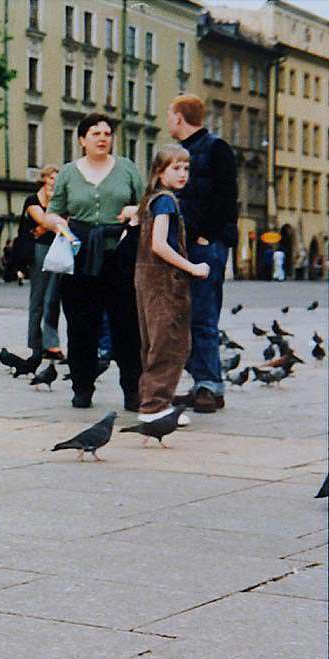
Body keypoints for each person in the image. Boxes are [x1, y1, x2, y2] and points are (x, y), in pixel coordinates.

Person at [41, 113, 144, 410]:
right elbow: (52, 212)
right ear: (82, 140)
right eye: (96, 133)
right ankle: (82, 387)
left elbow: (147, 203)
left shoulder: (127, 168)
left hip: (120, 251)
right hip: (80, 253)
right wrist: (58, 224)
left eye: (107, 134)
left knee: (126, 323)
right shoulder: (68, 173)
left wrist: (134, 211)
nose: (103, 139)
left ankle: (133, 390)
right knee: (81, 323)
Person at [166, 95, 238, 415]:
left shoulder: (215, 148)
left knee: (204, 315)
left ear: (179, 118)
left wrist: (205, 234)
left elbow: (226, 196)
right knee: (187, 315)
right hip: (184, 244)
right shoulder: (181, 152)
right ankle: (202, 383)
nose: (168, 121)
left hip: (206, 245)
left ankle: (210, 385)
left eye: (170, 115)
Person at [134, 144, 210, 424]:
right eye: (176, 168)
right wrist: (193, 267)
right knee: (170, 344)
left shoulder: (152, 199)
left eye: (186, 168)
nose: (183, 173)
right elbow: (159, 245)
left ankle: (152, 402)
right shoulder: (166, 201)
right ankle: (155, 408)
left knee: (154, 343)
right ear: (159, 171)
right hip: (165, 283)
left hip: (147, 281)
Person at [19, 165, 64, 360]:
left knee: (53, 299)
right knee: (38, 298)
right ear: (44, 179)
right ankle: (35, 343)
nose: (55, 182)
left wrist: (48, 224)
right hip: (39, 251)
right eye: (52, 178)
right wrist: (53, 221)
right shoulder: (32, 200)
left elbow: (61, 221)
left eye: (57, 179)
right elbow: (46, 221)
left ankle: (51, 343)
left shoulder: (59, 200)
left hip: (57, 249)